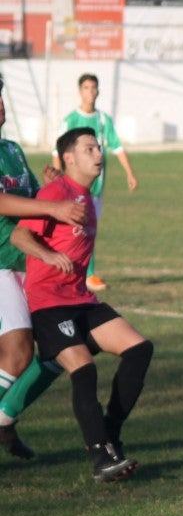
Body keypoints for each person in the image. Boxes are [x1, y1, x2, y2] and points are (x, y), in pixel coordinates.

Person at [12, 127, 154, 482]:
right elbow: (19, 234)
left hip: (81, 299)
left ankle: (110, 431)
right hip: (49, 303)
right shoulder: (56, 193)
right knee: (84, 369)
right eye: (89, 148)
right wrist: (47, 254)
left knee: (139, 350)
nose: (99, 153)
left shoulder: (84, 195)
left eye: (99, 147)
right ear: (69, 157)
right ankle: (101, 457)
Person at [0, 86, 89, 461]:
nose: (1, 106)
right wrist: (51, 208)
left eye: (1, 97)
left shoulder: (12, 151)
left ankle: (5, 422)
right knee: (19, 352)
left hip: (31, 263)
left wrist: (52, 185)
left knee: (58, 351)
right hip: (2, 261)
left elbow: (35, 195)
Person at [54, 73, 139, 291]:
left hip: (96, 187)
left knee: (89, 229)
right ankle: (85, 273)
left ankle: (83, 273)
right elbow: (57, 152)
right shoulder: (70, 121)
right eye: (86, 88)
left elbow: (117, 146)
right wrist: (58, 180)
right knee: (75, 230)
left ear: (98, 91)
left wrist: (129, 173)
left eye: (93, 88)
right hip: (73, 186)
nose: (90, 92)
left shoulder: (103, 120)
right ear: (79, 91)